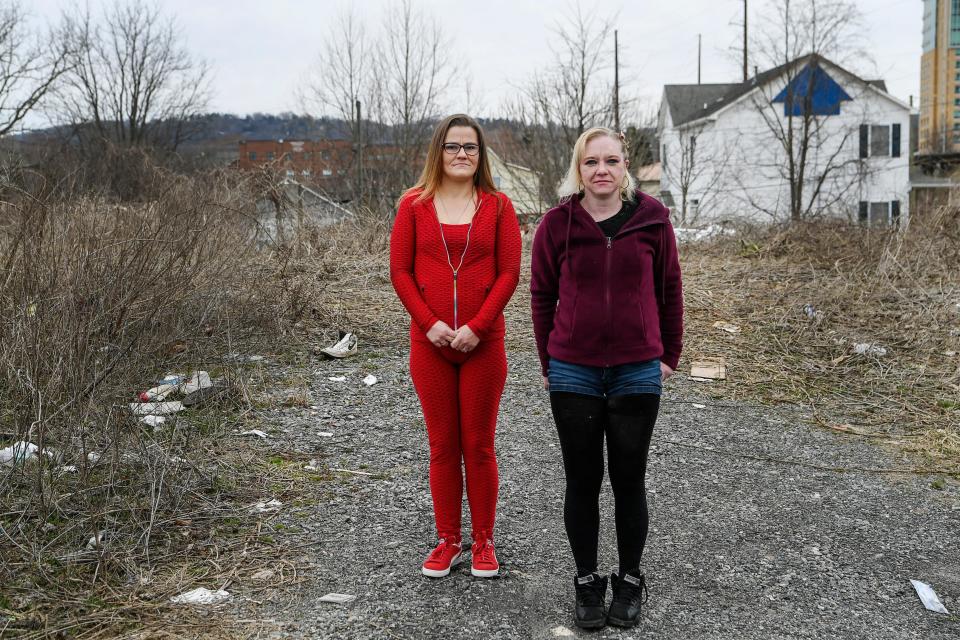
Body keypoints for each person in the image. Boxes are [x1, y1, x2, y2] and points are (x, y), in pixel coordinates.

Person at [530, 127, 683, 628]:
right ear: (578, 168)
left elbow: (669, 290)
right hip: (573, 371)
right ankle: (587, 580)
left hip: (637, 370)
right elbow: (541, 296)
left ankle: (631, 578)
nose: (602, 170)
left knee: (628, 479)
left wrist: (669, 354)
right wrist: (552, 361)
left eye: (612, 161)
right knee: (582, 479)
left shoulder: (653, 219)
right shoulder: (557, 224)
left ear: (625, 169)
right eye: (592, 161)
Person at [390, 114, 522, 579]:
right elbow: (400, 273)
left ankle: (484, 541)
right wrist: (429, 324)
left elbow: (509, 274)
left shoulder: (499, 207)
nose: (462, 154)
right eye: (452, 146)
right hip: (430, 345)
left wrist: (478, 326)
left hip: (483, 345)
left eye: (470, 147)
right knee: (444, 447)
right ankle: (447, 540)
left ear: (480, 155)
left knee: (479, 446)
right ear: (438, 152)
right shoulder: (413, 205)